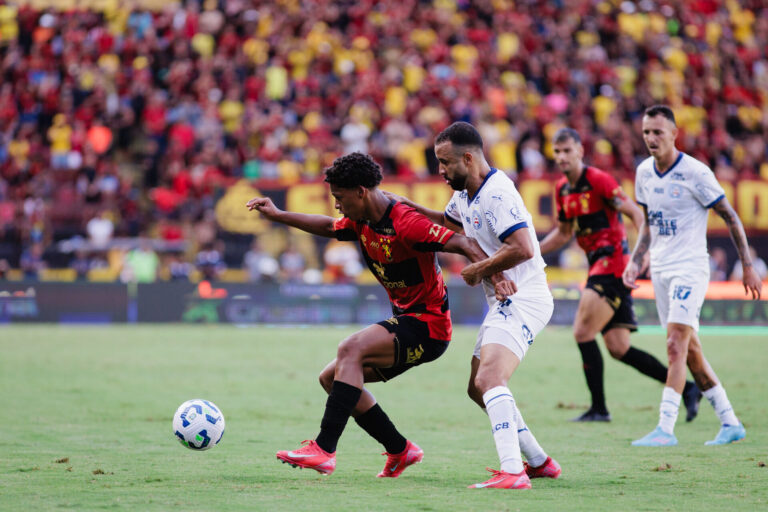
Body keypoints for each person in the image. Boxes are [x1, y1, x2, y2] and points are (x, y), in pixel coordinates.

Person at [246, 152, 489, 477]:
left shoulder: (406, 222)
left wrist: (493, 275)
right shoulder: (363, 219)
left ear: (360, 191)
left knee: (351, 349)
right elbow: (330, 227)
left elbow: (463, 241)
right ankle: (400, 450)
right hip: (408, 323)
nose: (337, 205)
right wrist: (278, 215)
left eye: (339, 197)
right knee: (332, 378)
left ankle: (323, 449)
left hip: (428, 326)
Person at [389, 122, 560, 490]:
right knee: (476, 387)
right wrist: (404, 206)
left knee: (490, 380)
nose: (440, 170)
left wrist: (479, 269)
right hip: (506, 298)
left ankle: (513, 472)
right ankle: (539, 462)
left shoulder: (498, 194)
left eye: (445, 162)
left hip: (524, 296)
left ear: (468, 158)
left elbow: (524, 248)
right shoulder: (465, 193)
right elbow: (448, 225)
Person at [539, 128, 701, 423]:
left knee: (582, 332)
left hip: (613, 264)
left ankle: (599, 409)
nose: (562, 157)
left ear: (580, 151)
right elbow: (563, 233)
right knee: (618, 348)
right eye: (557, 151)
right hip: (598, 265)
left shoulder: (599, 181)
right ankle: (688, 388)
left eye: (567, 151)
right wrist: (533, 250)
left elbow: (638, 215)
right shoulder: (562, 189)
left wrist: (643, 254)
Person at [623, 105, 762, 446]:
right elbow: (649, 224)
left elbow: (730, 216)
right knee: (691, 352)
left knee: (674, 345)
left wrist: (746, 265)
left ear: (674, 134)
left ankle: (665, 428)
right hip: (660, 270)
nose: (651, 138)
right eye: (646, 132)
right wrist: (635, 259)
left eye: (658, 132)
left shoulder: (695, 173)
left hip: (690, 269)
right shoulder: (643, 173)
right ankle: (730, 422)